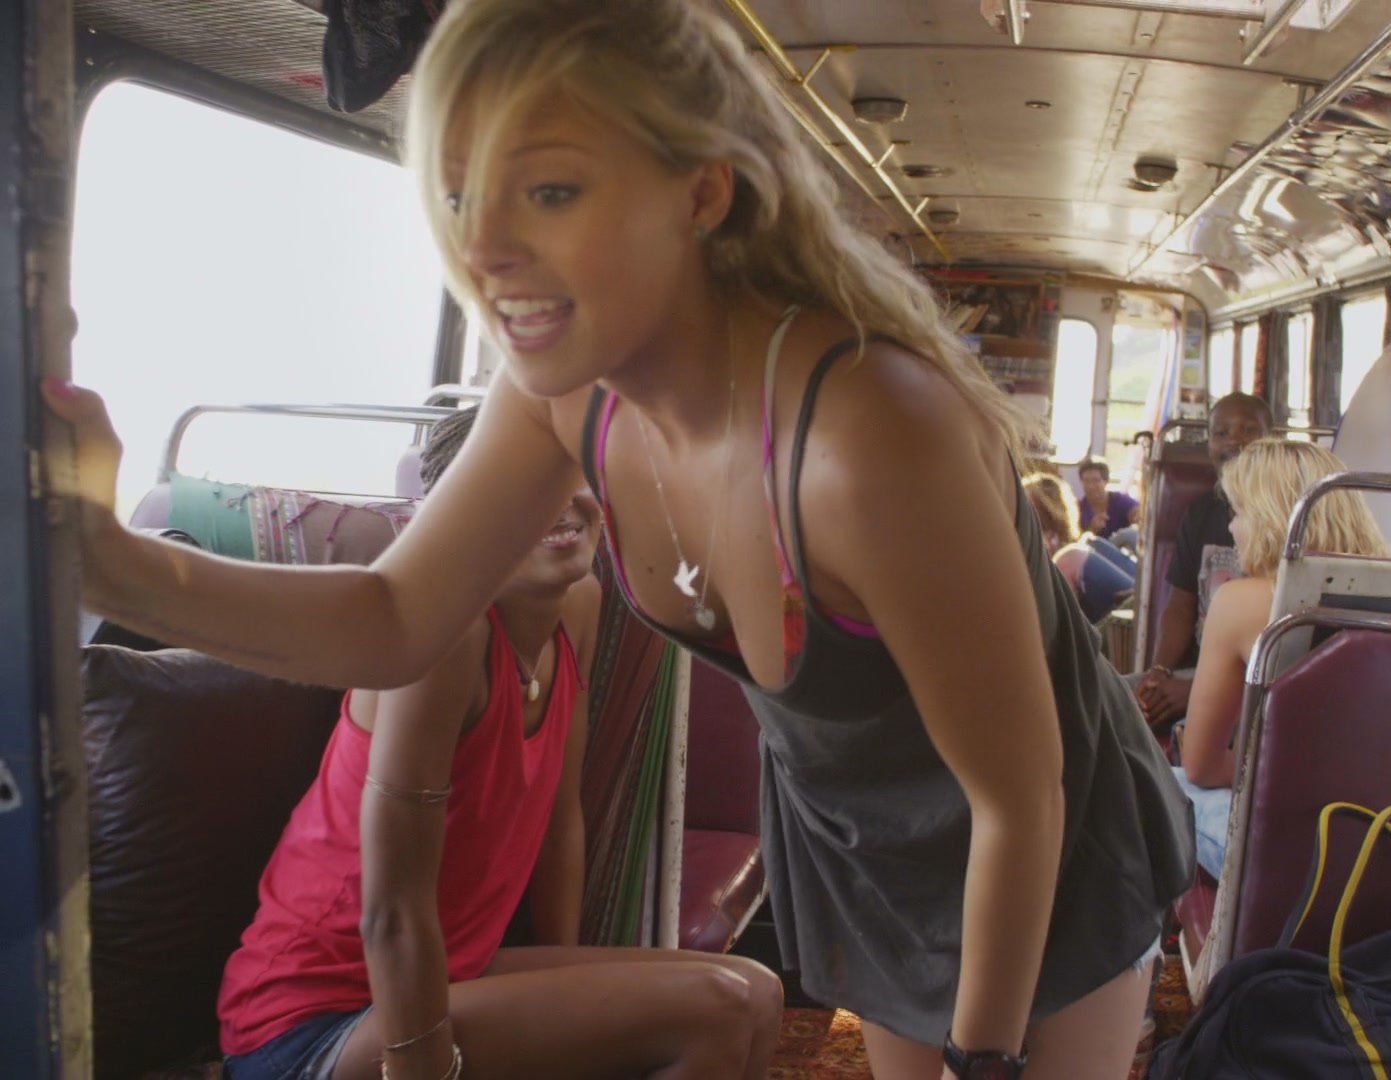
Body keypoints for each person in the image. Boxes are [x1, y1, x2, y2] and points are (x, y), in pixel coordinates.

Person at [43, 3, 1193, 1078]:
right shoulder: (565, 393)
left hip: (1041, 844)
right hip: (858, 846)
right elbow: (393, 618)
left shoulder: (869, 440)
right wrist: (114, 564)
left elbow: (1020, 796)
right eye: (458, 197)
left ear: (701, 192)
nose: (484, 249)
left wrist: (981, 1062)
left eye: (549, 191)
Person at [218, 408, 785, 1080]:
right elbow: (391, 908)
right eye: (519, 485)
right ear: (457, 518)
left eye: (569, 472)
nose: (558, 500)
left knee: (758, 992)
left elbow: (560, 820)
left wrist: (577, 1015)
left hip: (455, 975)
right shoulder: (443, 638)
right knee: (718, 1008)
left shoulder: (579, 606)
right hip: (316, 1021)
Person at [1169, 438, 1391, 878]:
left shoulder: (1240, 602)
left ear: (1268, 519)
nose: (1231, 527)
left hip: (1291, 852)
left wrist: (1275, 770)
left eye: (1238, 512)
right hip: (1387, 834)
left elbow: (1201, 765)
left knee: (1148, 783)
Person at [1135, 393, 1272, 731]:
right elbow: (1180, 603)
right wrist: (1159, 673)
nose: (1233, 441)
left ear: (1272, 440)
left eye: (1247, 430)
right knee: (1109, 700)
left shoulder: (1285, 517)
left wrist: (1196, 690)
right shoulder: (1200, 513)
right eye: (1221, 433)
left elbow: (1278, 657)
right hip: (1196, 669)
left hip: (1255, 683)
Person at [1023, 473, 1137, 623]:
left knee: (1076, 554)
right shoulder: (1071, 546)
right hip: (1128, 609)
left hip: (1121, 616)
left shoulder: (1066, 555)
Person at [1074, 457, 1140, 545]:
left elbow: (1138, 513)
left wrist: (1136, 517)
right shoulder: (1077, 509)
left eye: (1095, 481)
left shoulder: (1120, 500)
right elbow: (1074, 541)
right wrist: (1091, 529)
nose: (1090, 486)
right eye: (1086, 481)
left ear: (1106, 481)